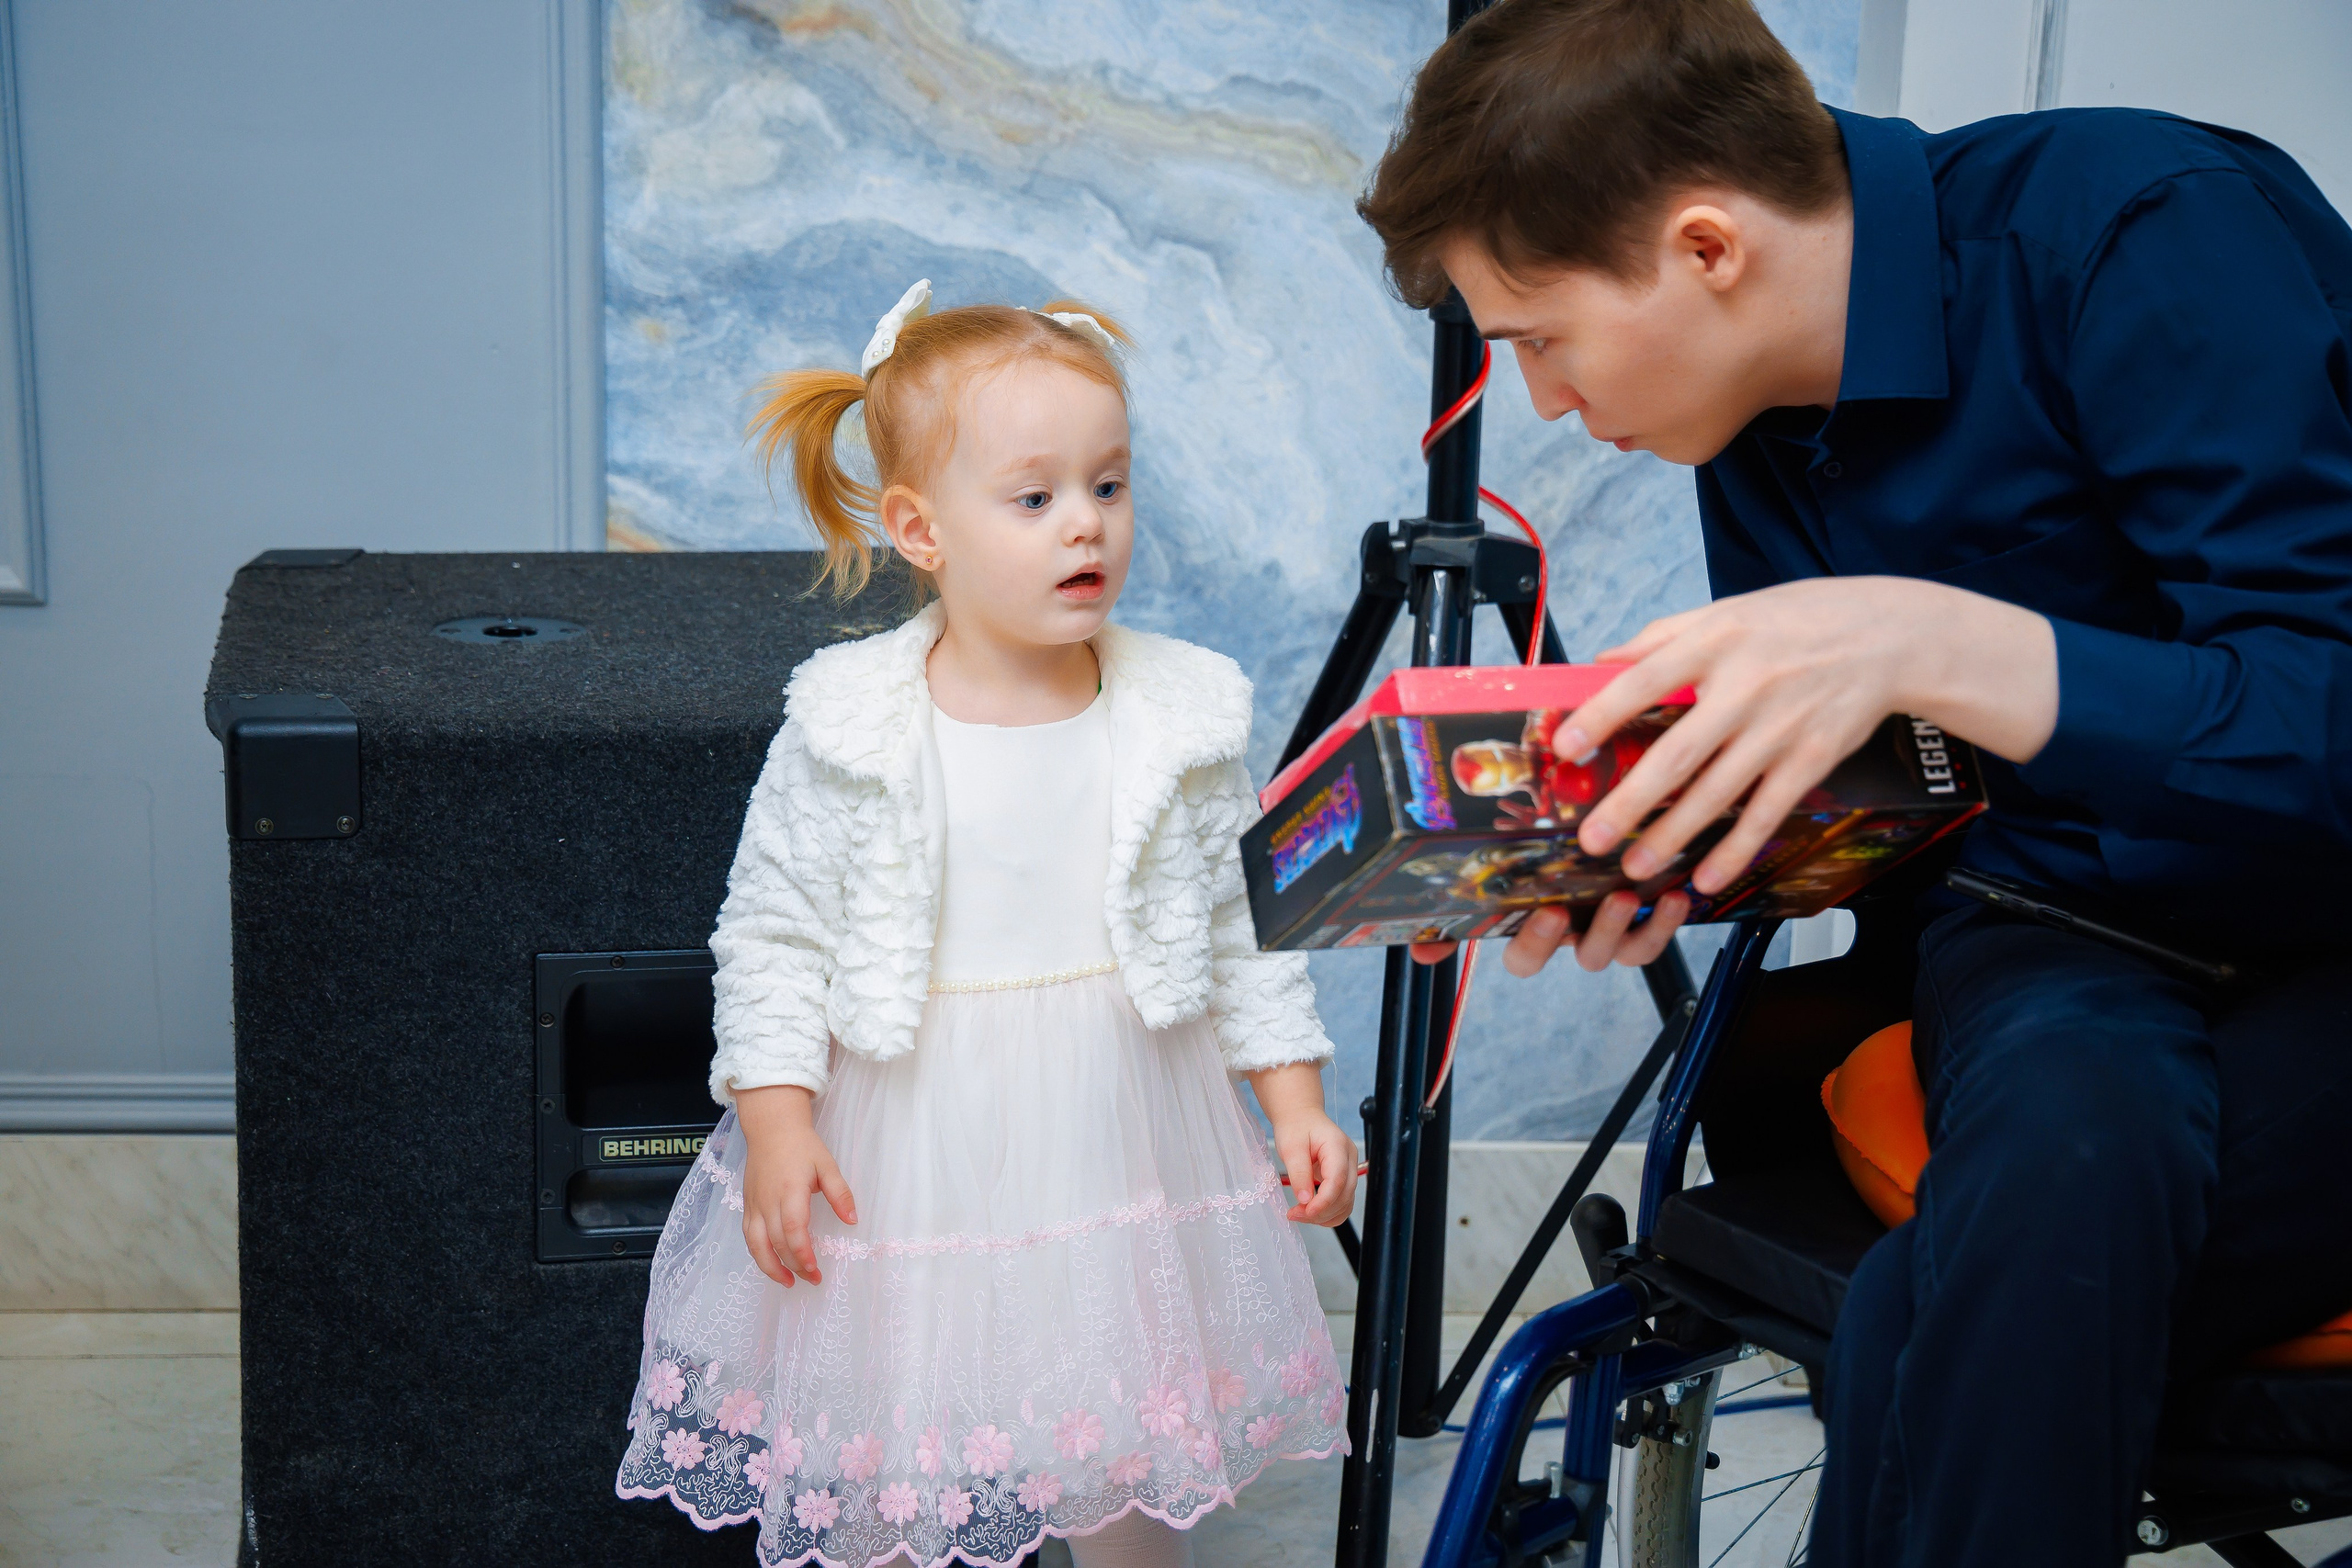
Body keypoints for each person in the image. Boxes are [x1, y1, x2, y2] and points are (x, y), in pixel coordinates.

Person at [1356, 0, 2352, 1562]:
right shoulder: (1747, 426)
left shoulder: (2135, 232)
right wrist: (1679, 854)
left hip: (2334, 929)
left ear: (1705, 247)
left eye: (1538, 338)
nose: (1540, 401)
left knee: (1939, 1297)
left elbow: (2326, 719)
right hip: (2057, 926)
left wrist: (1935, 639)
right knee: (2051, 1175)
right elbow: (1914, 788)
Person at [613, 283, 1355, 1567]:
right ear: (920, 528)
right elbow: (773, 934)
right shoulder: (850, 727)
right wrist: (780, 1124)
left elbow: (1243, 924)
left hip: (1119, 1133)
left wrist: (1291, 1101)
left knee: (1122, 1448)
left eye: (1109, 487)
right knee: (907, 1442)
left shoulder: (1177, 715)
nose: (1087, 525)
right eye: (1035, 498)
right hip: (912, 1137)